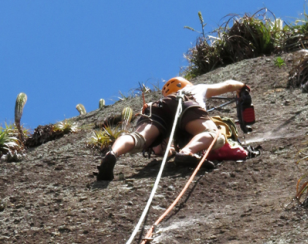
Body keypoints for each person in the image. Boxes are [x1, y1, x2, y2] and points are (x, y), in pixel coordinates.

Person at [96, 76, 250, 182]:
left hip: (155, 109)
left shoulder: (162, 100)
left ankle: (113, 153)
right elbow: (228, 85)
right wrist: (241, 87)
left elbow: (163, 150)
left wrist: (169, 151)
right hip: (186, 105)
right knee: (213, 134)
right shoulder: (196, 89)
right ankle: (187, 152)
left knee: (138, 138)